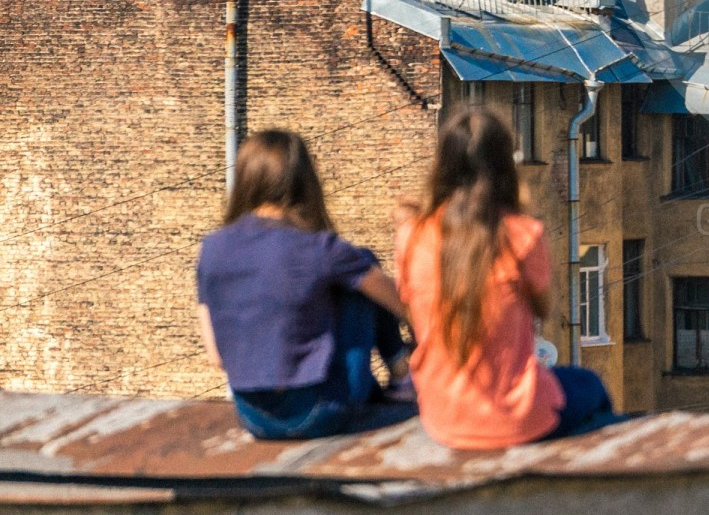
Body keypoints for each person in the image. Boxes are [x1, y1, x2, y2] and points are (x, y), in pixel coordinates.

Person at [396, 110, 612, 450]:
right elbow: (544, 307)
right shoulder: (522, 234)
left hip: (442, 415)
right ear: (505, 166)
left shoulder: (411, 236)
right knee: (590, 385)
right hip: (515, 417)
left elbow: (410, 310)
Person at [196, 130, 413, 440]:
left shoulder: (212, 249)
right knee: (360, 267)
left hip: (253, 417)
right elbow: (401, 305)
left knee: (340, 277)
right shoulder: (319, 248)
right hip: (322, 411)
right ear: (304, 182)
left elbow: (216, 356)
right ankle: (402, 373)